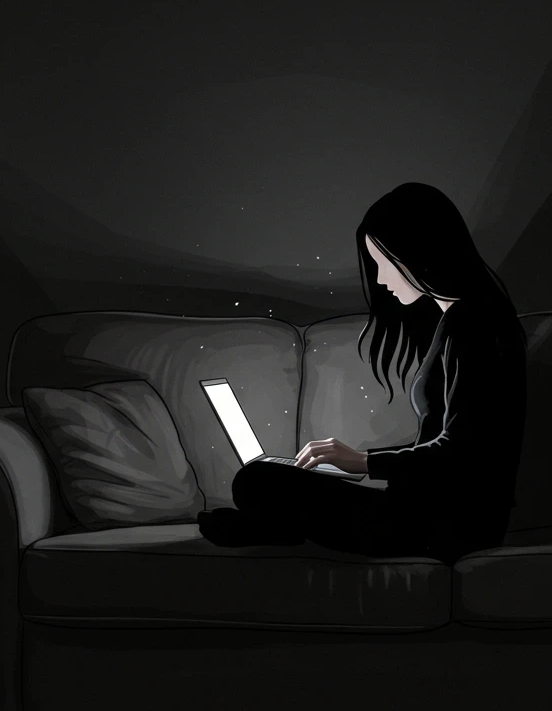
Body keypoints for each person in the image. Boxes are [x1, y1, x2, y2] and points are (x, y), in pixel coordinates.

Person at [197, 182, 527, 564]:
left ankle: (274, 528)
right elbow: (448, 444)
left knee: (256, 481)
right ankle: (274, 528)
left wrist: (363, 461)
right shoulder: (464, 318)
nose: (382, 280)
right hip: (432, 512)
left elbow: (462, 454)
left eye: (385, 263)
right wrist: (357, 463)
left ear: (419, 253)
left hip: (448, 525)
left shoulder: (474, 323)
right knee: (266, 478)